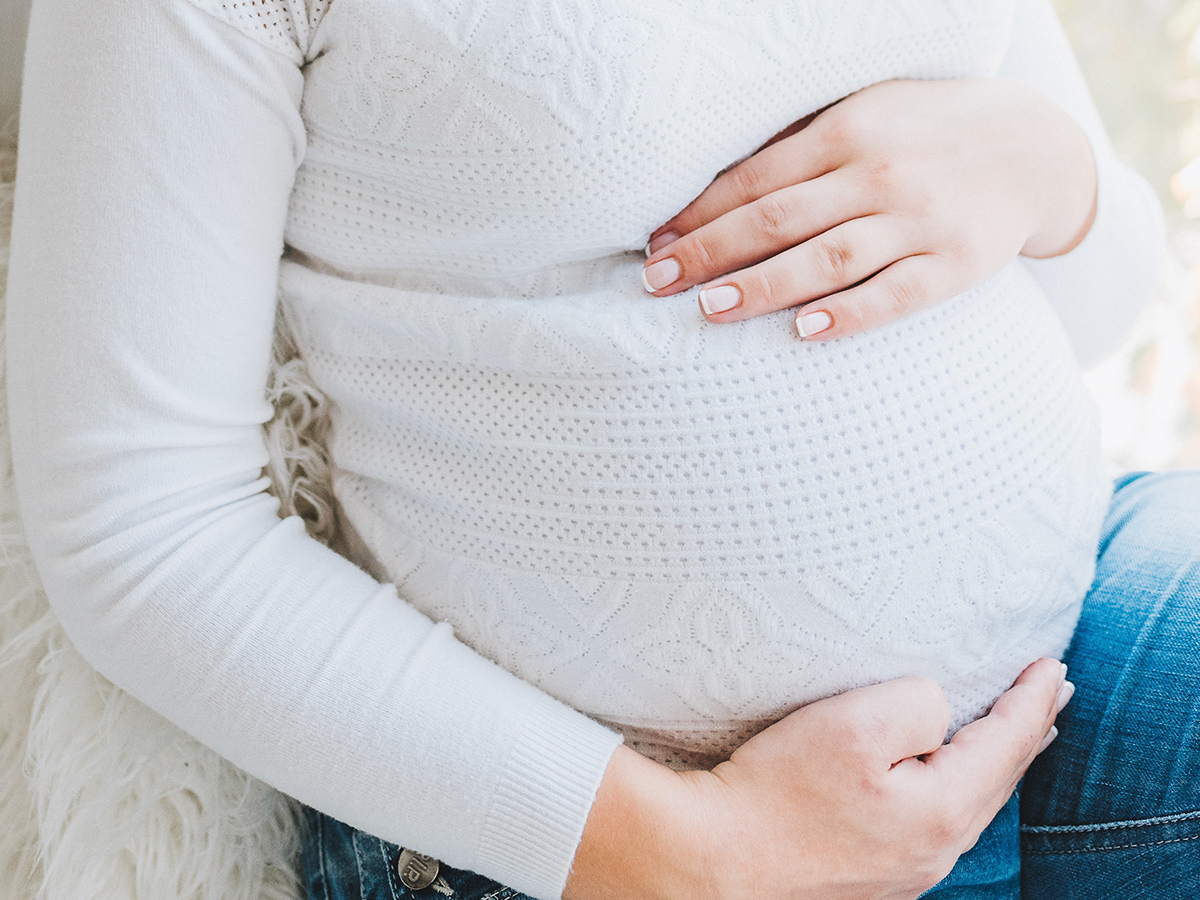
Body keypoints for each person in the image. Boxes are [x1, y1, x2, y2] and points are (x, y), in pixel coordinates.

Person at [6, 1, 1194, 899]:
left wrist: (1052, 172)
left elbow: (1087, 307)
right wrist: (685, 853)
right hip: (583, 835)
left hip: (1069, 641)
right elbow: (138, 524)